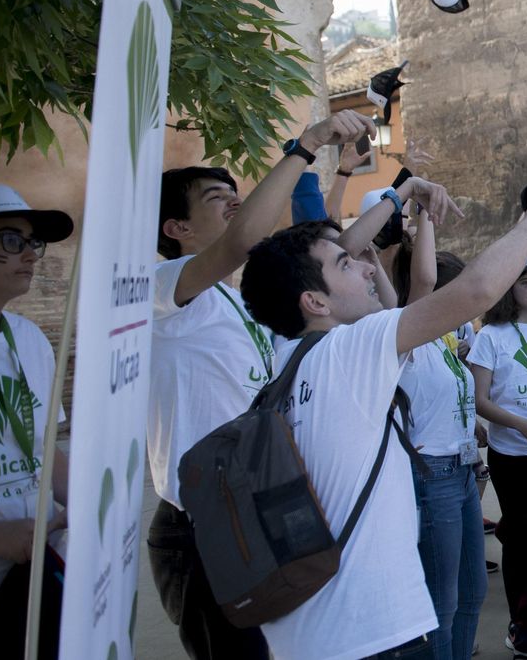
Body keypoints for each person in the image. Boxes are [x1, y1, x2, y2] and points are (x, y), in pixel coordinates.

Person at [237, 181, 527, 660]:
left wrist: (401, 194)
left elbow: (345, 258)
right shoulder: (349, 348)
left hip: (312, 633)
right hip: (374, 634)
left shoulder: (286, 362)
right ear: (315, 302)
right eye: (345, 265)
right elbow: (476, 291)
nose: (363, 265)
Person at [148, 109, 372, 660]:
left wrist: (396, 195)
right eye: (213, 197)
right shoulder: (161, 291)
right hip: (201, 520)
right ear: (176, 229)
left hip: (261, 500)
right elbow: (238, 241)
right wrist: (308, 144)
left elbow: (328, 255)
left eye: (234, 191)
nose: (234, 200)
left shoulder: (238, 294)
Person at [0, 185, 73, 658]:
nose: (28, 254)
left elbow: (45, 447)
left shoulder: (30, 339)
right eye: (8, 240)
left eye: (31, 242)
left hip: (35, 577)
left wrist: (91, 508)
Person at [396, 207, 488, 660]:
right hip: (432, 475)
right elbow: (423, 284)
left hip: (464, 471)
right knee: (442, 602)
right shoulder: (409, 333)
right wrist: (425, 216)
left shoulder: (446, 339)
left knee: (473, 591)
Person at [472, 255, 527, 658]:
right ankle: (520, 624)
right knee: (520, 542)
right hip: (513, 455)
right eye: (525, 281)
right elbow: (481, 401)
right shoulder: (492, 335)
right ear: (509, 287)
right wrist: (522, 425)